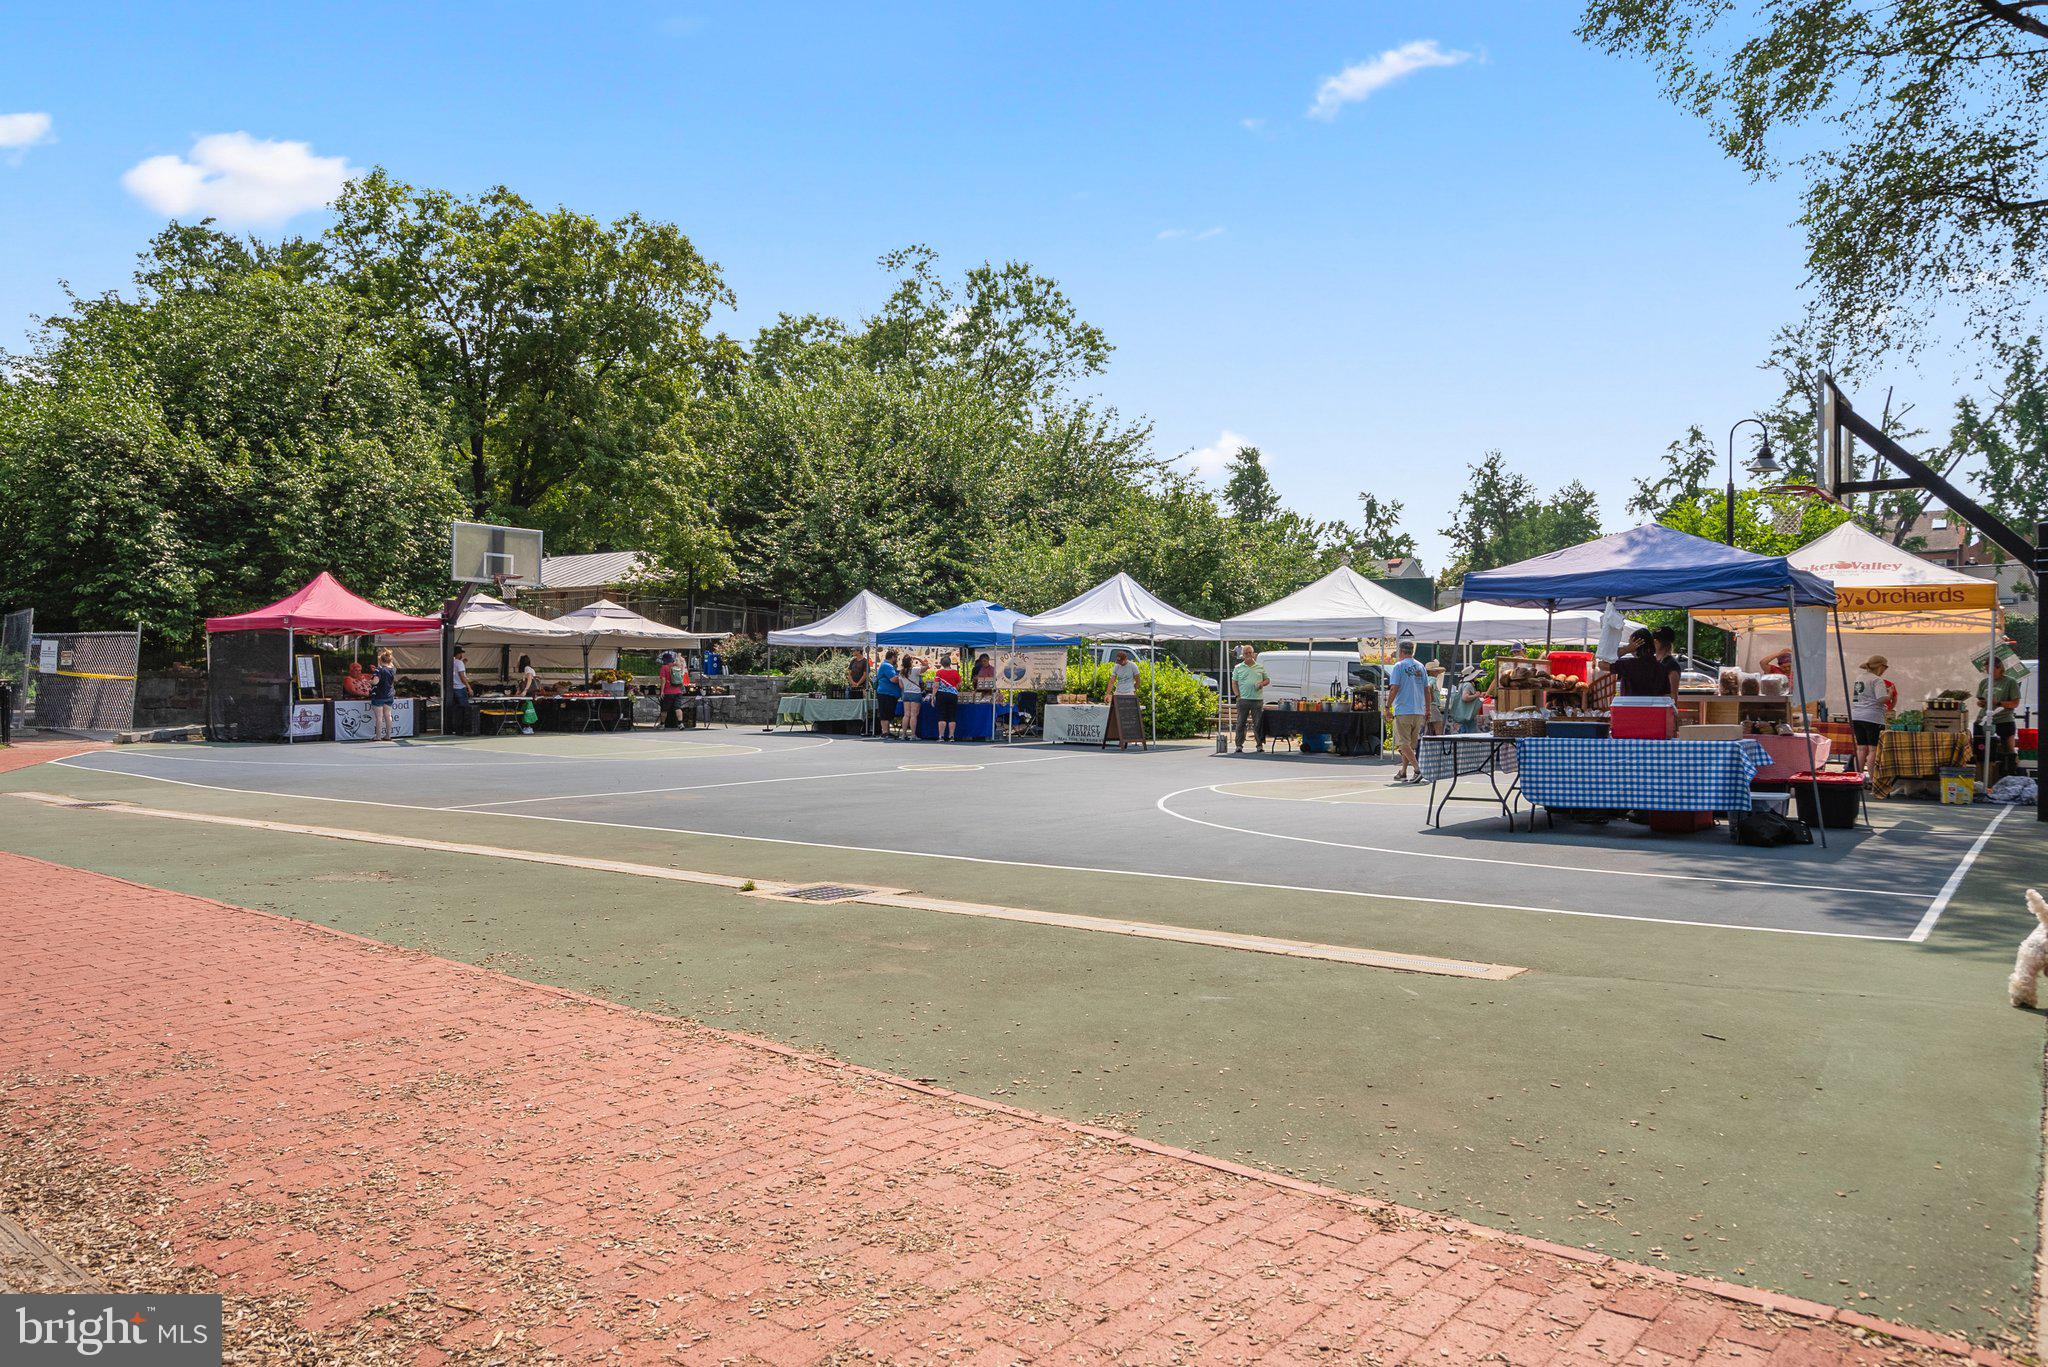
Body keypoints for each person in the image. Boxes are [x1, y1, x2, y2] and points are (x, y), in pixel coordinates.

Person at [1388, 641, 1429, 783]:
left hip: (1404, 709)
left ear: (1401, 651)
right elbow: (1426, 689)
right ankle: (1403, 771)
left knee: (1403, 743)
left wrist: (1387, 707)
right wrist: (1427, 708)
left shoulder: (1399, 666)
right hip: (1418, 709)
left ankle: (1417, 769)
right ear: (1412, 651)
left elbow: (1394, 688)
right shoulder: (1420, 666)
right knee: (1410, 745)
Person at [1847, 654, 1893, 781]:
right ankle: (1872, 780)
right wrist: (1889, 694)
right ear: (1880, 667)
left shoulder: (1859, 678)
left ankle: (1857, 777)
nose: (1885, 670)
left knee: (1861, 748)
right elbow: (1881, 699)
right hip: (1872, 717)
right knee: (1873, 750)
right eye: (1885, 667)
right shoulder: (1877, 680)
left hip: (1856, 716)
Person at [1980, 657, 2021, 779]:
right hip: (1985, 721)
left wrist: (1998, 703)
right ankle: (1988, 778)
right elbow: (1980, 700)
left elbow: (2015, 703)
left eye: (1990, 669)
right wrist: (1982, 703)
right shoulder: (1984, 683)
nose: (1988, 672)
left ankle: (2010, 776)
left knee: (2008, 752)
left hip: (2005, 720)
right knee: (1985, 752)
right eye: (1986, 669)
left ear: (1999, 668)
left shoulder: (2010, 682)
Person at [1602, 630, 1667, 698]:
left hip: (1631, 706)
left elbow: (1602, 664)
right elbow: (1666, 693)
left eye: (1630, 644)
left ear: (1634, 646)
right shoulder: (1661, 667)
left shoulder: (1629, 664)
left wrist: (1626, 650)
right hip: (1654, 707)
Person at [1230, 645, 1268, 753]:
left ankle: (1259, 745)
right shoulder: (1238, 668)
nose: (1248, 655)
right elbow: (1234, 683)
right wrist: (1237, 695)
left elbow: (1267, 680)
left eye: (1249, 653)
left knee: (1258, 724)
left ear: (1253, 654)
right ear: (1243, 655)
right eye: (1245, 653)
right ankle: (1239, 745)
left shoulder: (1260, 667)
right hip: (1243, 700)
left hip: (1257, 700)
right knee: (1241, 723)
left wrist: (1261, 684)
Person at [1109, 649, 1142, 750]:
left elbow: (1138, 679)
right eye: (1118, 661)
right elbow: (1112, 680)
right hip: (1118, 692)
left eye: (1121, 661)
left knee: (1129, 716)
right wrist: (1108, 693)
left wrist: (1133, 690)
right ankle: (1120, 739)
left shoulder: (1133, 665)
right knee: (1116, 716)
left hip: (1129, 692)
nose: (1120, 663)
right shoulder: (1116, 666)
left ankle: (1132, 738)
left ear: (1126, 659)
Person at [931, 654, 962, 741]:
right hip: (953, 695)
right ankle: (951, 736)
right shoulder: (955, 672)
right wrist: (954, 688)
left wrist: (933, 697)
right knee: (952, 716)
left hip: (941, 695)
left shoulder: (939, 673)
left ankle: (941, 736)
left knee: (942, 715)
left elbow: (936, 686)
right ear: (950, 663)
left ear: (941, 663)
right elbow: (960, 684)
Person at [370, 647, 398, 741]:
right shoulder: (393, 669)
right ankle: (388, 735)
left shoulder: (379, 670)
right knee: (388, 715)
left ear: (380, 660)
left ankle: (378, 736)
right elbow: (391, 665)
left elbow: (375, 682)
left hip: (378, 695)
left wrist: (369, 681)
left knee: (379, 717)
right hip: (389, 695)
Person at [1447, 667, 1484, 735]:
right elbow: (1465, 697)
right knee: (1470, 734)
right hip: (1468, 714)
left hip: (1463, 714)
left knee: (1463, 732)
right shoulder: (1468, 685)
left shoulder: (1462, 684)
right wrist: (1476, 695)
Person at [874, 650, 902, 738]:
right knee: (885, 713)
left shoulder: (888, 666)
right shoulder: (887, 666)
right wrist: (902, 677)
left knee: (888, 713)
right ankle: (885, 732)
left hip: (888, 693)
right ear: (893, 657)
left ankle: (887, 732)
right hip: (886, 693)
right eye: (896, 657)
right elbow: (893, 679)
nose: (897, 659)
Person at [1651, 626, 1683, 700]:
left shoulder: (1671, 664)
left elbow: (1674, 694)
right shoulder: (1654, 661)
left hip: (1663, 707)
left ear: (1656, 642)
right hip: (1653, 706)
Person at [657, 650, 685, 729]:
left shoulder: (664, 667)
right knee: (678, 708)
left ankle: (662, 724)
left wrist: (662, 691)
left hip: (668, 692)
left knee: (664, 709)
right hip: (678, 691)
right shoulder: (676, 666)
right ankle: (680, 724)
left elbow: (663, 680)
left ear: (664, 660)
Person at [899, 656, 926, 739]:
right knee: (913, 715)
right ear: (911, 662)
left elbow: (901, 686)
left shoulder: (901, 672)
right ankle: (913, 735)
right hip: (915, 693)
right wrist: (917, 658)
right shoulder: (915, 670)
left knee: (906, 715)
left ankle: (903, 734)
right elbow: (926, 666)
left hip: (906, 694)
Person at [450, 646, 473, 736]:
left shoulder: (451, 662)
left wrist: (463, 663)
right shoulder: (459, 663)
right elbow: (462, 676)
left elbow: (455, 672)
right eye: (461, 653)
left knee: (456, 710)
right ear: (459, 654)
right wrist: (469, 687)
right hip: (460, 688)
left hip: (453, 688)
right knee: (464, 710)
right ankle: (464, 730)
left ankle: (456, 729)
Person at [1423, 660, 1447, 737]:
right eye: (1436, 671)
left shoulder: (1424, 679)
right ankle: (1439, 746)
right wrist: (1432, 698)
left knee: (1428, 730)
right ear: (1432, 672)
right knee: (1439, 728)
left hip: (1425, 706)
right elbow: (1429, 687)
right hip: (1432, 706)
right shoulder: (1432, 679)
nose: (1437, 673)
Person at [515, 653, 538, 734]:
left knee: (528, 710)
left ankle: (528, 727)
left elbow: (529, 680)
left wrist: (525, 690)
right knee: (527, 709)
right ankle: (527, 727)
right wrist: (520, 655)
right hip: (530, 693)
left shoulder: (527, 668)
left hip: (529, 693)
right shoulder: (528, 668)